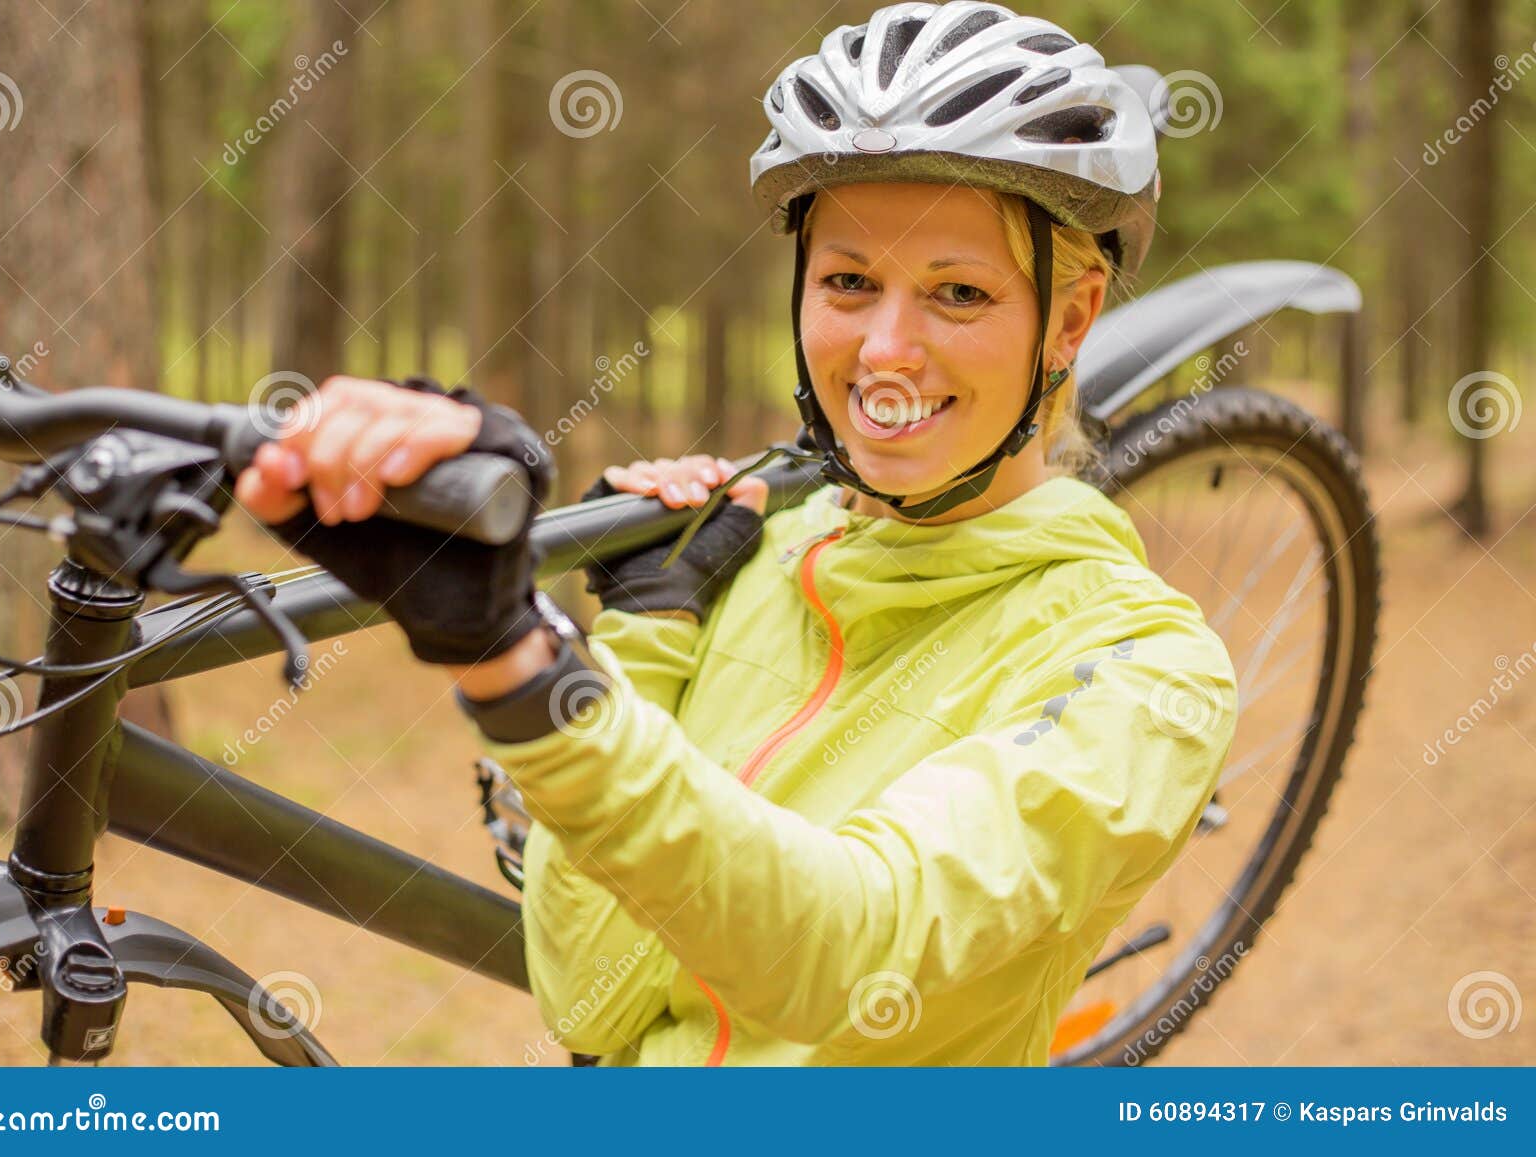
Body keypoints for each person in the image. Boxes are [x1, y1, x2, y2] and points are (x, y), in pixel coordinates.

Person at [235, 1, 1237, 1066]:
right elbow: (589, 1007)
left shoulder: (1143, 672)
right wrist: (644, 641)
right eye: (849, 281)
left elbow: (853, 948)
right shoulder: (752, 570)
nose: (886, 349)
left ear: (1071, 318)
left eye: (957, 291)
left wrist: (524, 671)